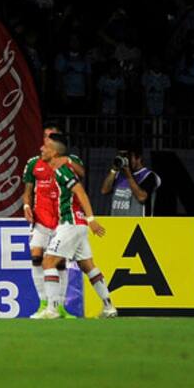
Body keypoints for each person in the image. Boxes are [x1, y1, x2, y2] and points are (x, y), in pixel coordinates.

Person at [33, 134, 117, 319]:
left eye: (45, 147)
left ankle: (53, 309)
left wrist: (91, 219)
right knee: (88, 266)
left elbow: (81, 193)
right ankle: (109, 307)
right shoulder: (57, 170)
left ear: (54, 152)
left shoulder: (62, 170)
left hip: (71, 223)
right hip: (77, 225)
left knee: (48, 262)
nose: (41, 149)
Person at [23, 124, 86, 318]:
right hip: (41, 219)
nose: (47, 139)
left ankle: (58, 306)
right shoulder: (34, 163)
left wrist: (65, 159)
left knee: (59, 263)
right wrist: (26, 206)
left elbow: (82, 174)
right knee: (36, 256)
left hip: (62, 220)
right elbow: (27, 191)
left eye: (52, 136)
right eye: (45, 136)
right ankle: (43, 303)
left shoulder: (70, 161)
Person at [100, 147, 161, 216]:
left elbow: (142, 197)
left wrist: (128, 175)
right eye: (122, 156)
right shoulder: (118, 174)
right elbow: (104, 190)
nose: (125, 160)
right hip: (117, 222)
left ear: (138, 159)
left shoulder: (149, 175)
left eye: (128, 157)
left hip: (138, 224)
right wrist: (114, 170)